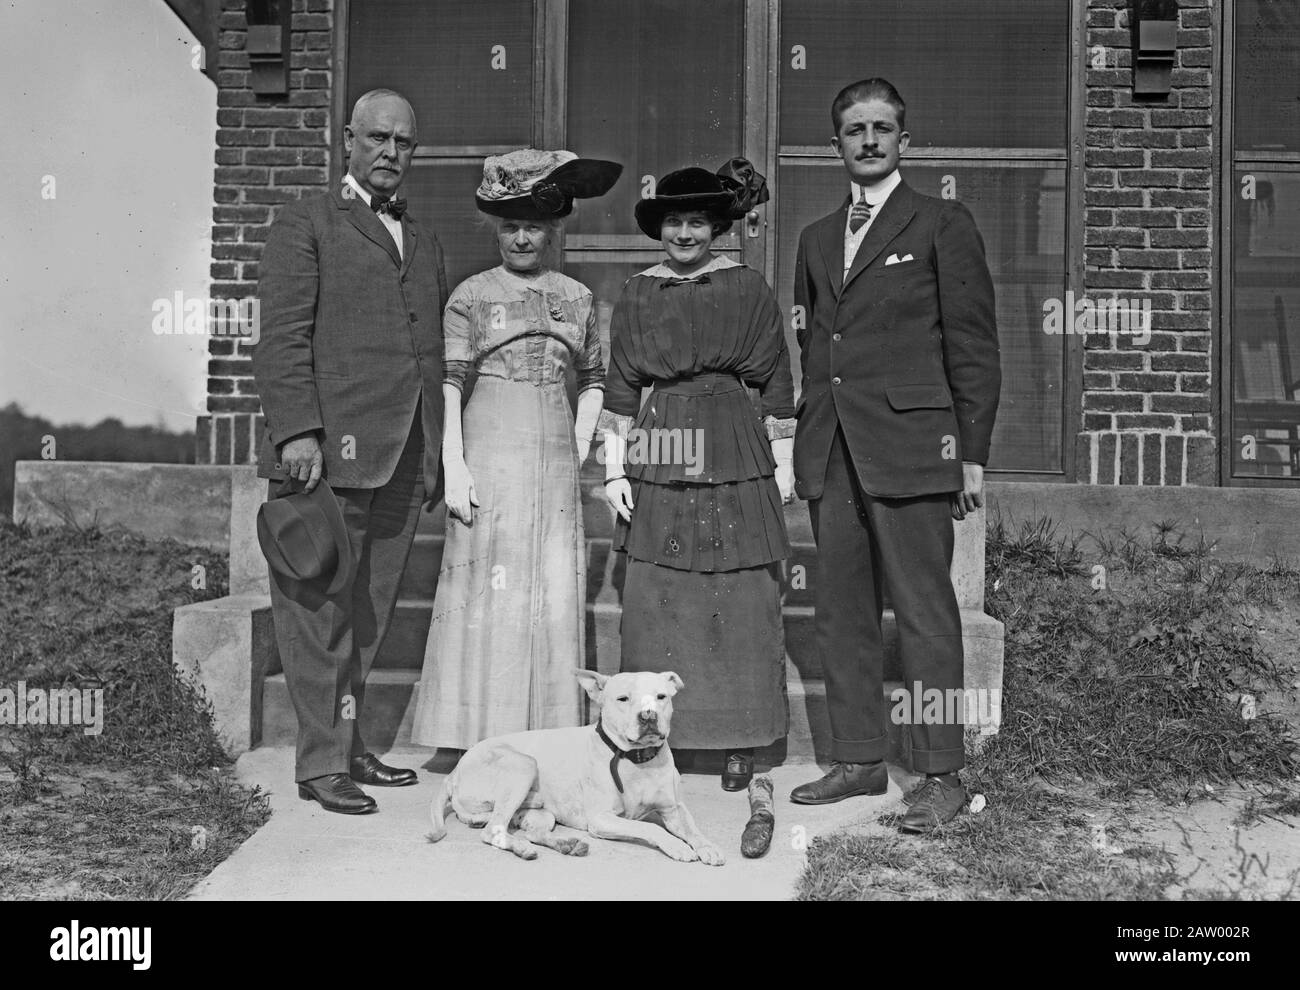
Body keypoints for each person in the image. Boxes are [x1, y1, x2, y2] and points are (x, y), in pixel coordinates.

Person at [789, 78, 1001, 832]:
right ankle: (858, 758)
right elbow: (817, 346)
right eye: (854, 129)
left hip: (916, 446)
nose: (869, 140)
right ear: (837, 143)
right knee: (840, 610)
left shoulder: (942, 222)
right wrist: (801, 440)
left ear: (904, 141)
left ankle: (941, 772)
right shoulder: (816, 237)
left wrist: (969, 452)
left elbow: (973, 344)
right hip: (833, 449)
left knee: (924, 611)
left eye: (882, 128)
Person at [252, 89, 448, 814]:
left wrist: (433, 454)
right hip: (325, 455)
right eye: (377, 138)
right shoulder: (305, 220)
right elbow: (281, 338)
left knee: (368, 612)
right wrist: (296, 430)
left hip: (401, 455)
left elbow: (427, 353)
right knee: (316, 608)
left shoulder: (423, 241)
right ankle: (319, 765)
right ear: (347, 141)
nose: (391, 152)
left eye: (404, 142)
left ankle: (349, 742)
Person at [411, 149, 621, 749]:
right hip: (489, 441)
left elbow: (596, 381)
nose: (522, 238)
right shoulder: (471, 296)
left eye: (534, 226)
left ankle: (545, 738)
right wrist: (454, 465)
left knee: (550, 582)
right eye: (510, 227)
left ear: (554, 232)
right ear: (496, 230)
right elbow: (450, 383)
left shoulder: (576, 298)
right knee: (487, 583)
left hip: (553, 447)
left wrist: (578, 448)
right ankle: (478, 734)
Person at [601, 158, 795, 792]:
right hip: (660, 439)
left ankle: (743, 740)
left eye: (698, 223)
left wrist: (783, 459)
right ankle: (660, 738)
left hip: (733, 438)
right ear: (660, 230)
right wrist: (613, 469)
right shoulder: (636, 293)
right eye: (674, 223)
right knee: (659, 591)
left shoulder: (747, 287)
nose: (685, 235)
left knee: (740, 592)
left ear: (717, 228)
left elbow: (775, 377)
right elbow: (623, 386)